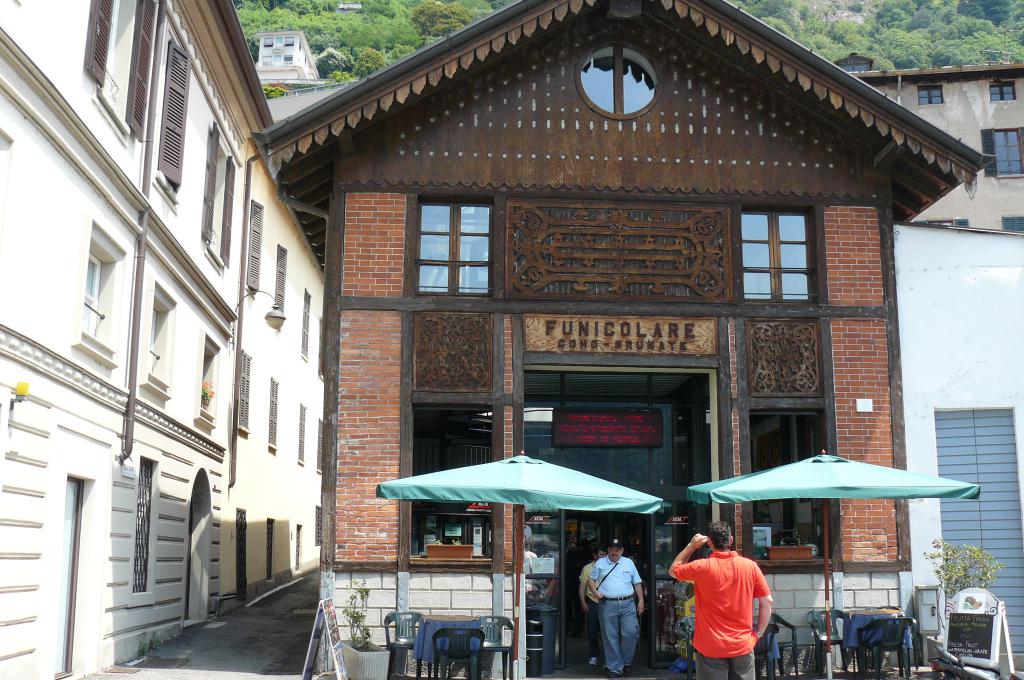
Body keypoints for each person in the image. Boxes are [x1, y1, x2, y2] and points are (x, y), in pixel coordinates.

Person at [669, 521, 773, 680]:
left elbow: (673, 570)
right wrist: (758, 633)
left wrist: (691, 546)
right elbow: (767, 601)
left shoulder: (701, 567)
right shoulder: (750, 566)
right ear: (731, 540)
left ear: (709, 543)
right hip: (742, 644)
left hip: (710, 646)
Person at [590, 538, 644, 678]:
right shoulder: (600, 563)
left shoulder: (629, 562)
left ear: (622, 550)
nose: (614, 553)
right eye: (612, 550)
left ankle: (625, 662)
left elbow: (637, 583)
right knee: (610, 636)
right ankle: (615, 667)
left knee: (631, 633)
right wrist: (595, 592)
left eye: (617, 550)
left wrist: (641, 601)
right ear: (608, 550)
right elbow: (591, 580)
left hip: (628, 603)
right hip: (607, 603)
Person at [578, 546, 608, 667]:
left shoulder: (610, 565)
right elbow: (582, 587)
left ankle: (608, 658)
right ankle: (594, 655)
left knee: (608, 632)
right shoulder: (587, 568)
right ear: (595, 556)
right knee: (592, 631)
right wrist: (583, 602)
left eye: (605, 554)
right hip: (593, 601)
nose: (604, 557)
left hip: (607, 602)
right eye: (601, 554)